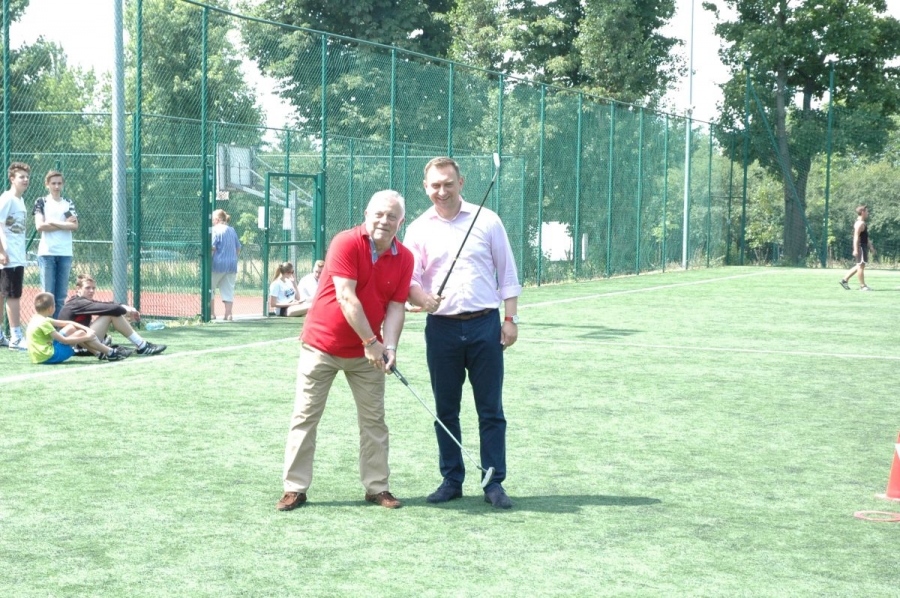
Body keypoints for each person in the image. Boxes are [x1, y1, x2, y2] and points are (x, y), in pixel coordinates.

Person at [277, 190, 414, 512]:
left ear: (401, 221)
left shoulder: (405, 258)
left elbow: (397, 307)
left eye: (391, 216)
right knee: (305, 417)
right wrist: (371, 343)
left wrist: (390, 347)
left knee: (374, 422)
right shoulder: (346, 242)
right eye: (378, 214)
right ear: (366, 215)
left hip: (368, 353)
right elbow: (346, 297)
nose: (384, 221)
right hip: (321, 346)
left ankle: (377, 487)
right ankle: (294, 488)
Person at [403, 156, 522, 510]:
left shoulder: (488, 220)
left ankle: (493, 481)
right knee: (445, 410)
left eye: (448, 184)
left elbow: (507, 271)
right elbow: (410, 279)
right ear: (426, 187)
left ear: (461, 183)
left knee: (491, 409)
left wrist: (510, 318)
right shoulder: (418, 229)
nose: (442, 191)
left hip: (486, 325)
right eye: (435, 185)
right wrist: (423, 299)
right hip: (441, 328)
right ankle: (452, 479)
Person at [59, 274, 167, 356]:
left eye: (93, 288)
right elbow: (113, 309)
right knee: (111, 314)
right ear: (78, 289)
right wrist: (127, 311)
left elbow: (105, 305)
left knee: (111, 312)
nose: (91, 291)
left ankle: (141, 345)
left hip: (81, 341)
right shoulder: (78, 303)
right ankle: (142, 346)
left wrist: (123, 307)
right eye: (87, 288)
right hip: (77, 345)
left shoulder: (81, 301)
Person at [27, 291, 128, 364]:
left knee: (71, 327)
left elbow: (69, 323)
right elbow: (64, 341)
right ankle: (110, 352)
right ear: (51, 308)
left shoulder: (37, 318)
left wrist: (87, 329)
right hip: (49, 356)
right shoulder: (44, 323)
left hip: (39, 356)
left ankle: (99, 353)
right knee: (81, 334)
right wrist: (87, 336)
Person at [32, 170, 78, 318]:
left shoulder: (67, 204)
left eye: (59, 183)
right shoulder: (41, 202)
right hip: (47, 253)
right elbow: (40, 226)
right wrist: (63, 224)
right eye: (53, 183)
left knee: (60, 297)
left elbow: (74, 225)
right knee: (47, 296)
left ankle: (58, 329)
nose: (56, 186)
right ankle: (45, 328)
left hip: (65, 253)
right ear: (47, 184)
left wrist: (51, 222)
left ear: (63, 184)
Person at [0, 162, 31, 350]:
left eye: (27, 177)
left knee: (3, 294)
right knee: (13, 296)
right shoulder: (7, 199)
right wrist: (2, 252)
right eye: (21, 177)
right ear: (12, 179)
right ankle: (16, 338)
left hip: (16, 255)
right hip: (9, 257)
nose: (25, 180)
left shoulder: (20, 200)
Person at [211, 208, 241, 320]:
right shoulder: (232, 230)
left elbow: (213, 247)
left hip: (217, 264)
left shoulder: (215, 230)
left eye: (213, 219)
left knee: (210, 288)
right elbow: (238, 248)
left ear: (217, 219)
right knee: (228, 290)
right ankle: (228, 314)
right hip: (231, 264)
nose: (212, 221)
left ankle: (211, 313)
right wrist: (232, 257)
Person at [840, 205, 875, 291]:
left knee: (859, 266)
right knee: (860, 266)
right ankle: (863, 286)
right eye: (867, 211)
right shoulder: (860, 224)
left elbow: (865, 237)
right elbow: (856, 237)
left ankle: (844, 280)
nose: (868, 213)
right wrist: (855, 249)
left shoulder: (862, 223)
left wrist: (871, 247)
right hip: (860, 247)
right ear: (862, 212)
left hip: (863, 246)